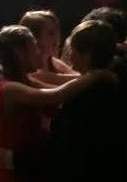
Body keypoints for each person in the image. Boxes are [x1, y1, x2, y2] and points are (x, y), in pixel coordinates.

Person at [0, 25, 115, 182]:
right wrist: (97, 75)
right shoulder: (10, 88)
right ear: (19, 53)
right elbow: (58, 95)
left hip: (26, 168)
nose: (38, 53)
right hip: (15, 173)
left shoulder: (25, 81)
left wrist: (90, 76)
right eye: (34, 48)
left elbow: (65, 85)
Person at [48, 20, 124, 182]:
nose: (70, 56)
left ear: (88, 54)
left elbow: (70, 146)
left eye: (74, 51)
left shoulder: (86, 93)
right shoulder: (117, 79)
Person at [19, 10, 79, 86]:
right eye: (51, 33)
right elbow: (76, 80)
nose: (57, 37)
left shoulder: (54, 63)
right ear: (34, 38)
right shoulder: (30, 71)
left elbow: (78, 76)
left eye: (57, 32)